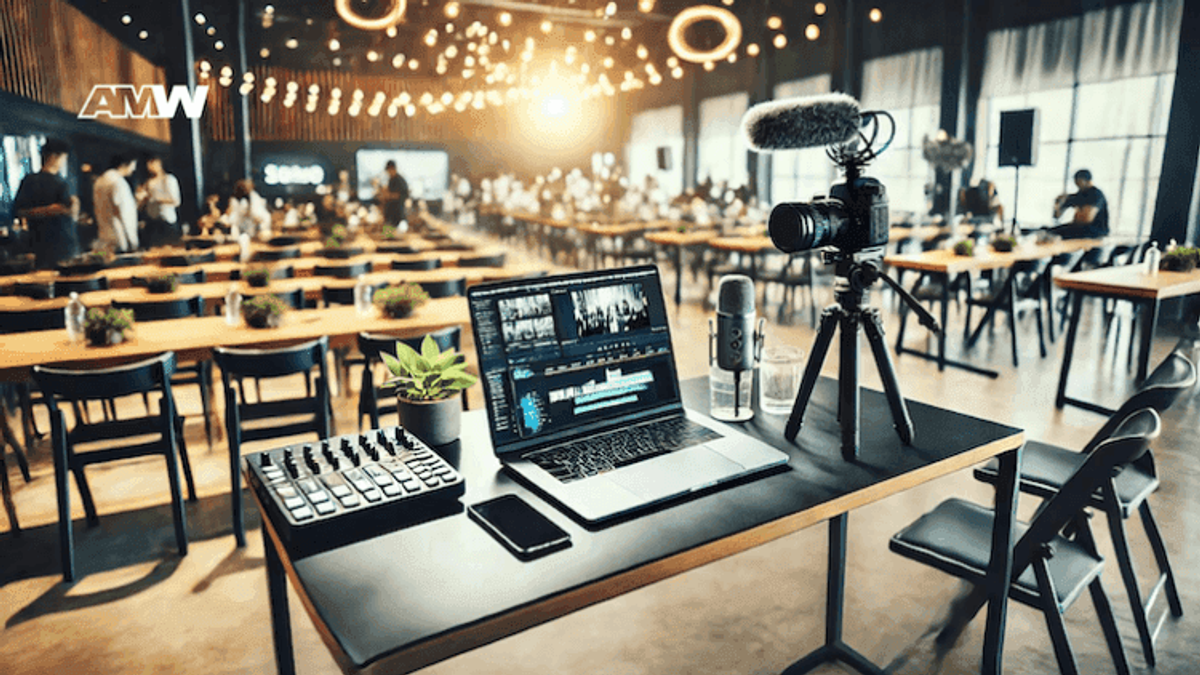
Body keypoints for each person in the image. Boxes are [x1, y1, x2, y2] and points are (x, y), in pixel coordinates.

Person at [12, 138, 81, 269]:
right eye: (63, 158)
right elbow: (18, 211)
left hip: (50, 245)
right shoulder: (35, 181)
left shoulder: (58, 181)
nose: (63, 162)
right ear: (54, 157)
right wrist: (53, 210)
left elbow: (71, 213)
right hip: (56, 247)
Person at [93, 153, 140, 253]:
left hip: (104, 238)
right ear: (123, 164)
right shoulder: (118, 182)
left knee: (106, 262)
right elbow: (123, 213)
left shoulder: (99, 181)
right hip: (120, 238)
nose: (134, 169)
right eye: (133, 165)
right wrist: (133, 241)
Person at [1050, 169, 1109, 239]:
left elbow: (1086, 219)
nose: (1077, 185)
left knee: (1060, 233)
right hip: (1080, 228)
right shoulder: (1078, 195)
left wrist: (1076, 217)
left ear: (1086, 180)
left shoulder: (1096, 194)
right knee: (1048, 231)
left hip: (1096, 230)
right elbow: (1057, 216)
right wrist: (1059, 204)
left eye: (1078, 182)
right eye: (1076, 182)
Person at [139, 155, 182, 246]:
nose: (150, 167)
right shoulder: (148, 182)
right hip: (152, 221)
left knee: (170, 247)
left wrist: (156, 199)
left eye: (152, 164)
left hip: (167, 220)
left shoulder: (169, 179)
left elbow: (176, 200)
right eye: (148, 165)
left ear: (159, 164)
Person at [378, 160, 409, 225]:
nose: (388, 172)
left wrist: (387, 195)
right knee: (387, 234)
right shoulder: (391, 180)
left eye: (389, 170)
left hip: (396, 216)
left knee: (395, 234)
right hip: (389, 216)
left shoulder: (399, 181)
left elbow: (402, 195)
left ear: (393, 169)